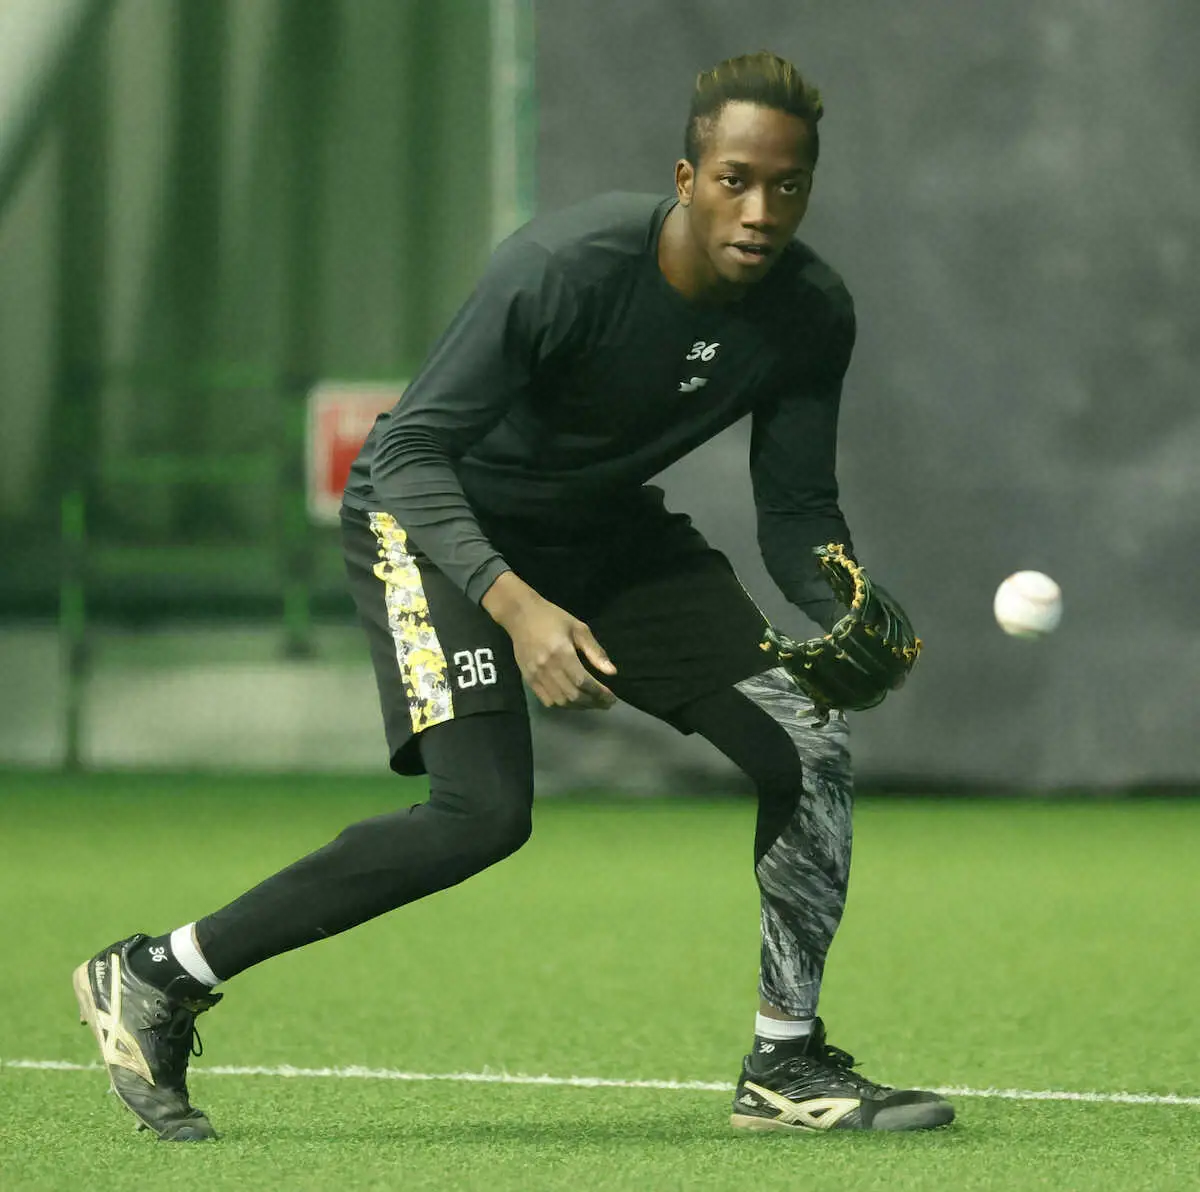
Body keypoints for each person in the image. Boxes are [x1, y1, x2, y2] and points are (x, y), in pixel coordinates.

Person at [74, 51, 954, 1139]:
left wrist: (843, 601)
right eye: (735, 179)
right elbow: (410, 455)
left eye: (787, 186)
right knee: (480, 814)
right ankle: (158, 973)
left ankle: (786, 1063)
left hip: (603, 529)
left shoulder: (812, 311)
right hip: (434, 519)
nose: (760, 209)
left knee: (808, 745)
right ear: (686, 178)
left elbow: (796, 509)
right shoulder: (564, 269)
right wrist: (516, 604)